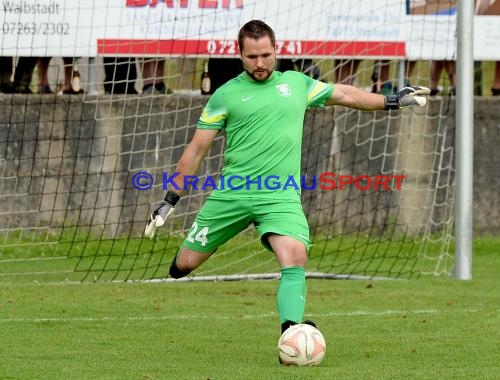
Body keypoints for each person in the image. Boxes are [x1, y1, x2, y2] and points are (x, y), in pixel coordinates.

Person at [143, 19, 429, 356]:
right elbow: (196, 149)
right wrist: (170, 199)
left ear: (276, 50)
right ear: (240, 55)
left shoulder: (297, 84)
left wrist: (392, 101)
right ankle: (187, 258)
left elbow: (345, 93)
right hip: (232, 194)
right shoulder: (225, 95)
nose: (260, 63)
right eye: (252, 57)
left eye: (266, 54)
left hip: (280, 196)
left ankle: (291, 333)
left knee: (295, 256)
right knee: (185, 266)